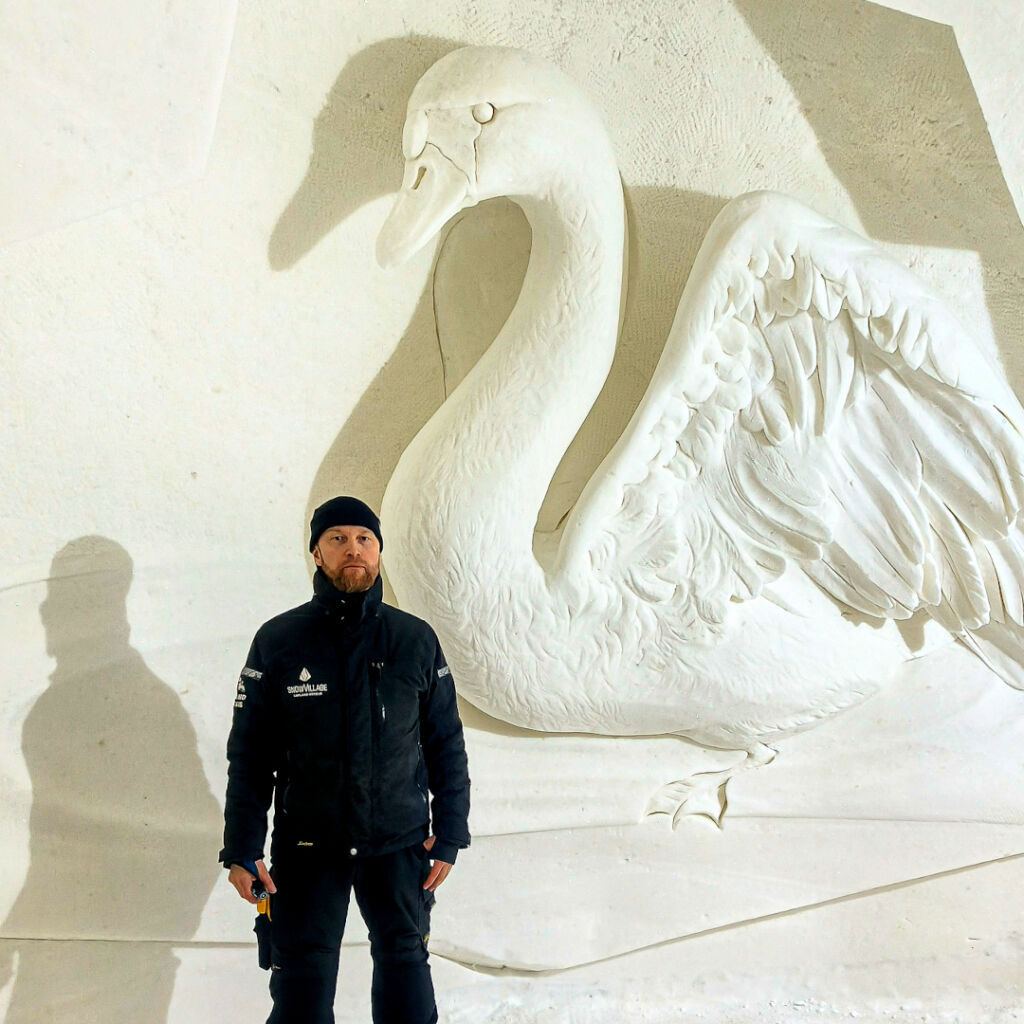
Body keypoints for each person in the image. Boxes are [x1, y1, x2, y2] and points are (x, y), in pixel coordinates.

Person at [220, 496, 471, 1024]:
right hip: (309, 847)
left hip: (399, 844)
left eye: (364, 538)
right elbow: (250, 755)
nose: (351, 549)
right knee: (301, 994)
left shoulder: (414, 640)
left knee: (407, 976)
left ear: (379, 552)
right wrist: (242, 846)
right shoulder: (279, 641)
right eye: (337, 539)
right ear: (316, 553)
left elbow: (446, 742)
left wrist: (450, 831)